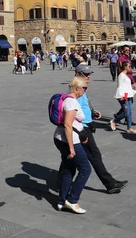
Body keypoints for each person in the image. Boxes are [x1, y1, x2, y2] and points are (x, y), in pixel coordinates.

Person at [73, 64, 128, 194]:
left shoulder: (82, 88)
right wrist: (81, 131)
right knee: (94, 155)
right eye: (86, 75)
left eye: (89, 75)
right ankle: (110, 184)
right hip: (82, 128)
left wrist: (92, 112)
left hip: (85, 125)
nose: (88, 77)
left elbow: (83, 107)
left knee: (70, 158)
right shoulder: (77, 89)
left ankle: (61, 182)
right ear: (79, 74)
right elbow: (73, 111)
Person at [54, 77, 92, 214]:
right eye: (84, 88)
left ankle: (61, 201)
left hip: (60, 138)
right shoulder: (71, 103)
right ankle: (72, 200)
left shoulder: (67, 100)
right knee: (85, 169)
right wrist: (71, 148)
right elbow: (68, 125)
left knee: (69, 169)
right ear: (76, 88)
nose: (85, 90)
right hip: (69, 141)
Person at [110, 61, 136, 133]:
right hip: (124, 96)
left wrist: (134, 91)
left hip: (128, 96)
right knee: (126, 113)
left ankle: (129, 128)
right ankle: (114, 121)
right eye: (129, 66)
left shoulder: (126, 75)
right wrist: (121, 96)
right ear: (125, 67)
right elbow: (120, 87)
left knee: (130, 112)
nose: (130, 68)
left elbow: (127, 87)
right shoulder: (121, 76)